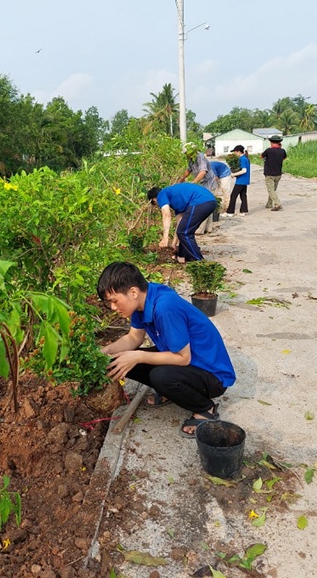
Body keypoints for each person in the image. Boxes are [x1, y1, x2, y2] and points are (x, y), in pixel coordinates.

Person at [97, 262, 235, 437]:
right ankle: (173, 392)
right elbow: (134, 338)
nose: (113, 308)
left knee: (159, 375)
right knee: (121, 360)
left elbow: (183, 358)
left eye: (114, 301)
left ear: (132, 292)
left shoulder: (165, 308)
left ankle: (205, 408)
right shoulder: (143, 300)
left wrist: (138, 356)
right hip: (188, 361)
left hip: (212, 375)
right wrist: (105, 351)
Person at [148, 183, 216, 263]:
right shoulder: (178, 204)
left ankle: (199, 261)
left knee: (184, 233)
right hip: (210, 202)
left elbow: (166, 215)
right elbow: (180, 224)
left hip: (200, 202)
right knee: (185, 231)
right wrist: (174, 242)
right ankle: (183, 257)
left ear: (154, 199)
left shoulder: (161, 194)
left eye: (156, 204)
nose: (159, 205)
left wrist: (165, 238)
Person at [177, 142, 216, 234]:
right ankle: (208, 228)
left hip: (209, 182)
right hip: (203, 183)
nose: (186, 155)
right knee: (208, 205)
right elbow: (188, 170)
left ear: (191, 151)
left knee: (204, 204)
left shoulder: (200, 157)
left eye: (187, 153)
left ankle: (201, 229)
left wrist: (193, 183)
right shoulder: (191, 159)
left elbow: (203, 172)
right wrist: (182, 178)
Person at [221, 145, 251, 217]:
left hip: (241, 180)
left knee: (233, 195)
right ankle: (243, 211)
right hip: (245, 180)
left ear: (238, 151)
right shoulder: (245, 158)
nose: (234, 154)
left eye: (234, 152)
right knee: (243, 195)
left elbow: (244, 170)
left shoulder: (242, 159)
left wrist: (234, 174)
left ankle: (230, 212)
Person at [261, 134, 287, 211]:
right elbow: (285, 157)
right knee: (273, 190)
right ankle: (269, 204)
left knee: (271, 190)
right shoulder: (282, 151)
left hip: (269, 174)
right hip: (278, 174)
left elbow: (261, 156)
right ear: (279, 142)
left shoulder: (268, 150)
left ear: (271, 142)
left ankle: (277, 203)